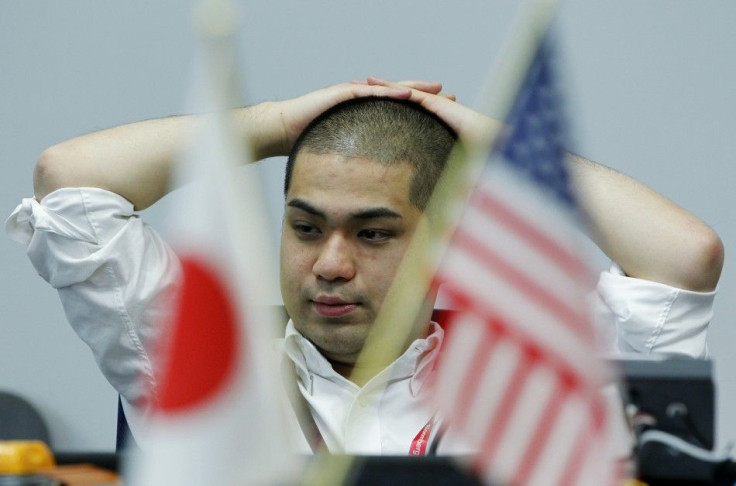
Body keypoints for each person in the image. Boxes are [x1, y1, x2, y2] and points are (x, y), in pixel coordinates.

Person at [6, 77, 723, 455]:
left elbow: (684, 258)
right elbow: (70, 181)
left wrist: (492, 145)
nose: (331, 264)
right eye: (305, 228)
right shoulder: (197, 357)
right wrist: (280, 123)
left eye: (374, 235)